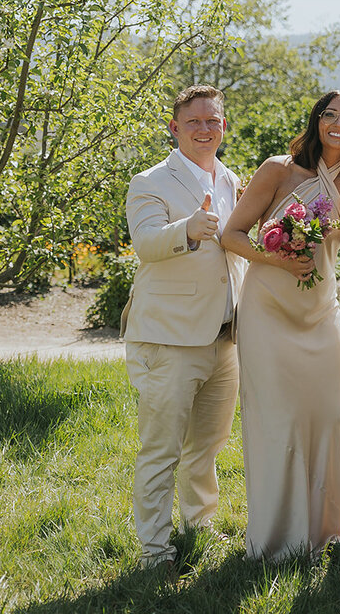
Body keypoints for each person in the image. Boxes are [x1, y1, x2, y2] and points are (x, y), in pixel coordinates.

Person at [221, 90, 340, 560]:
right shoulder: (278, 170)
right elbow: (231, 234)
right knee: (277, 422)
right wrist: (279, 261)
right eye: (330, 115)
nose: (339, 124)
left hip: (321, 312)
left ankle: (328, 530)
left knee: (326, 417)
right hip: (268, 309)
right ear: (317, 121)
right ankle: (275, 537)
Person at [121, 84, 247, 569]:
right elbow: (146, 243)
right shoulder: (150, 181)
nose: (203, 129)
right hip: (169, 339)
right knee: (161, 450)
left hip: (224, 338)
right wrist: (186, 231)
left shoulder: (232, 180)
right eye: (193, 121)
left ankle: (201, 526)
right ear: (174, 128)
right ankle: (155, 551)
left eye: (212, 120)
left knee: (207, 448)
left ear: (223, 126)